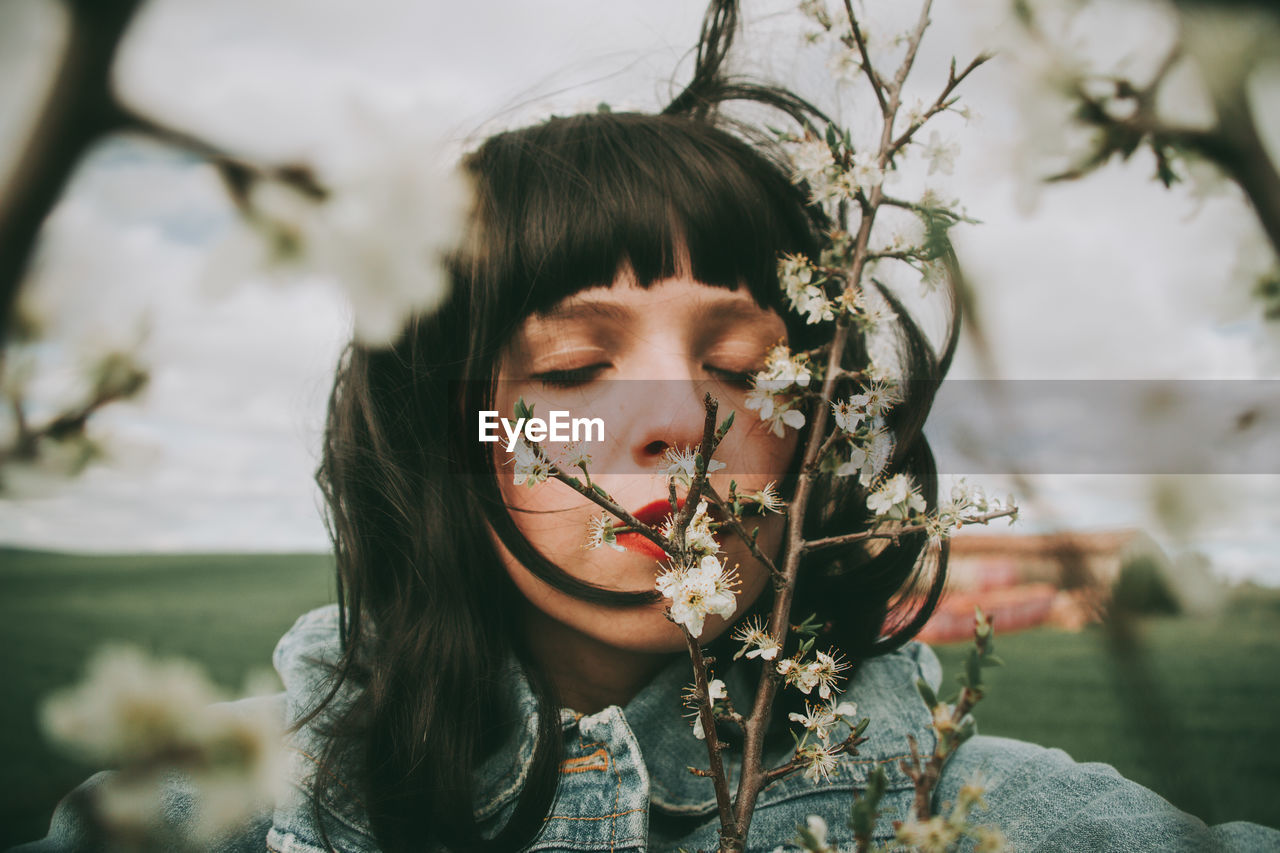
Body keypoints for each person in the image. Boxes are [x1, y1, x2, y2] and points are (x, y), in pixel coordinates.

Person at [14, 2, 1280, 852]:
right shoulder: (192, 817)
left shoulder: (998, 818)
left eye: (745, 368)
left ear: (821, 443)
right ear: (457, 440)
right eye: (571, 370)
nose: (676, 416)